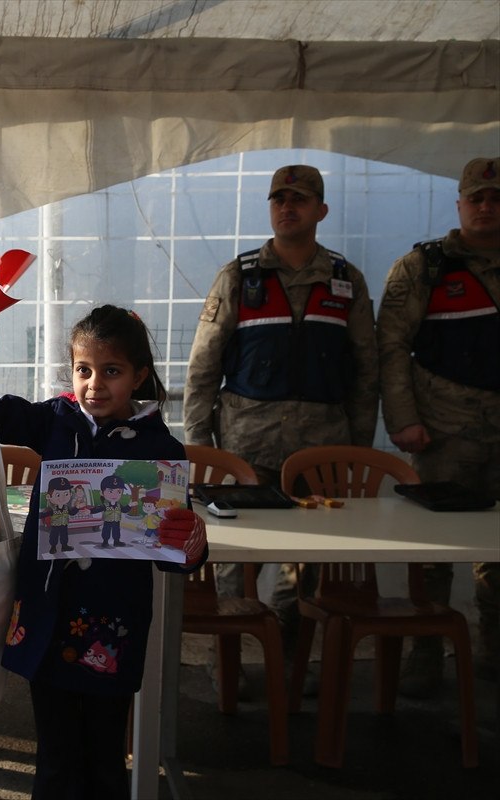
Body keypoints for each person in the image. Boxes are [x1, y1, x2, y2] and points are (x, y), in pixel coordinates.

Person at [0, 305, 208, 799]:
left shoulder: (162, 450)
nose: (95, 384)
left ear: (139, 376)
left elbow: (173, 552)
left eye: (111, 371)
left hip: (114, 628)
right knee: (53, 759)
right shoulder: (55, 419)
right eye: (83, 370)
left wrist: (192, 541)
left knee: (106, 764)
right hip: (48, 617)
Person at [181, 164, 379, 680]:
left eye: (300, 199)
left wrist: (357, 451)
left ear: (320, 210)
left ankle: (287, 662)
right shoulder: (239, 277)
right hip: (247, 449)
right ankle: (229, 664)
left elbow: (366, 371)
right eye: (278, 199)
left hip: (322, 449)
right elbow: (203, 369)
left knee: (306, 560)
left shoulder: (345, 280)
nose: (287, 207)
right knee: (233, 555)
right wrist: (200, 447)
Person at [377, 156, 500, 696]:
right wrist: (403, 420)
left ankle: (493, 657)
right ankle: (425, 653)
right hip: (446, 432)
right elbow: (390, 346)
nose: (487, 207)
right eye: (477, 197)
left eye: (496, 199)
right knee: (433, 553)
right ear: (460, 204)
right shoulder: (423, 267)